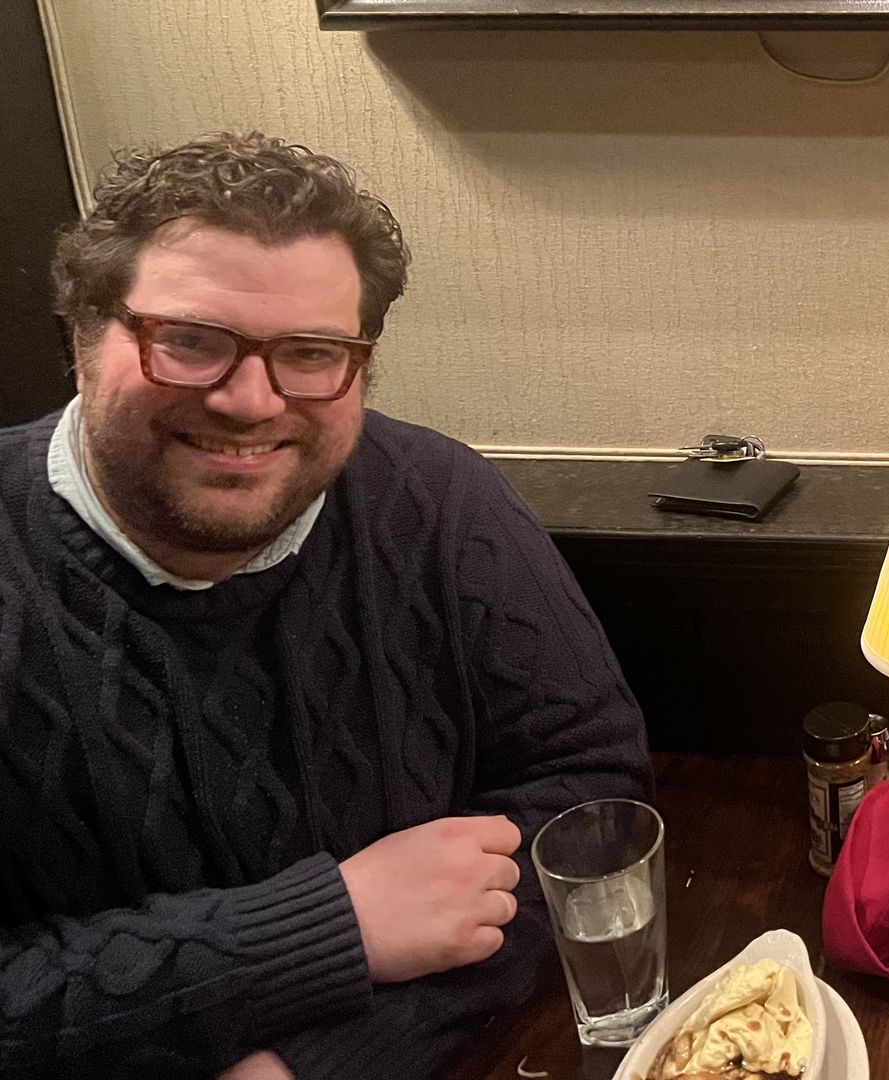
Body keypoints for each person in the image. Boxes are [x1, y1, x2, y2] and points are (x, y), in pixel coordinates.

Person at [0, 132, 653, 1078]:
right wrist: (318, 931)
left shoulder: (442, 502)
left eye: (311, 352)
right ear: (84, 332)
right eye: (189, 341)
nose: (249, 399)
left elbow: (591, 802)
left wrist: (323, 1060)